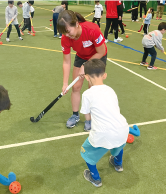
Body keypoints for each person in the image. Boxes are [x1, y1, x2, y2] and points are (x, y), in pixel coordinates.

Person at [80, 59, 128, 187]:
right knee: (117, 144)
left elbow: (87, 116)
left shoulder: (87, 94)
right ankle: (118, 164)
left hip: (103, 132)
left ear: (86, 77)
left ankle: (95, 178)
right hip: (123, 129)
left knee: (86, 153)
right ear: (104, 75)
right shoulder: (110, 90)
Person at [57, 10, 107, 129]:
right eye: (64, 33)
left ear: (77, 24)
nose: (67, 35)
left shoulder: (92, 29)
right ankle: (75, 115)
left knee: (92, 88)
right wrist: (65, 84)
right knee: (76, 87)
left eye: (68, 31)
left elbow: (102, 51)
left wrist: (85, 66)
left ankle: (91, 118)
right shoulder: (65, 38)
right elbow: (66, 61)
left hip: (97, 56)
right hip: (81, 56)